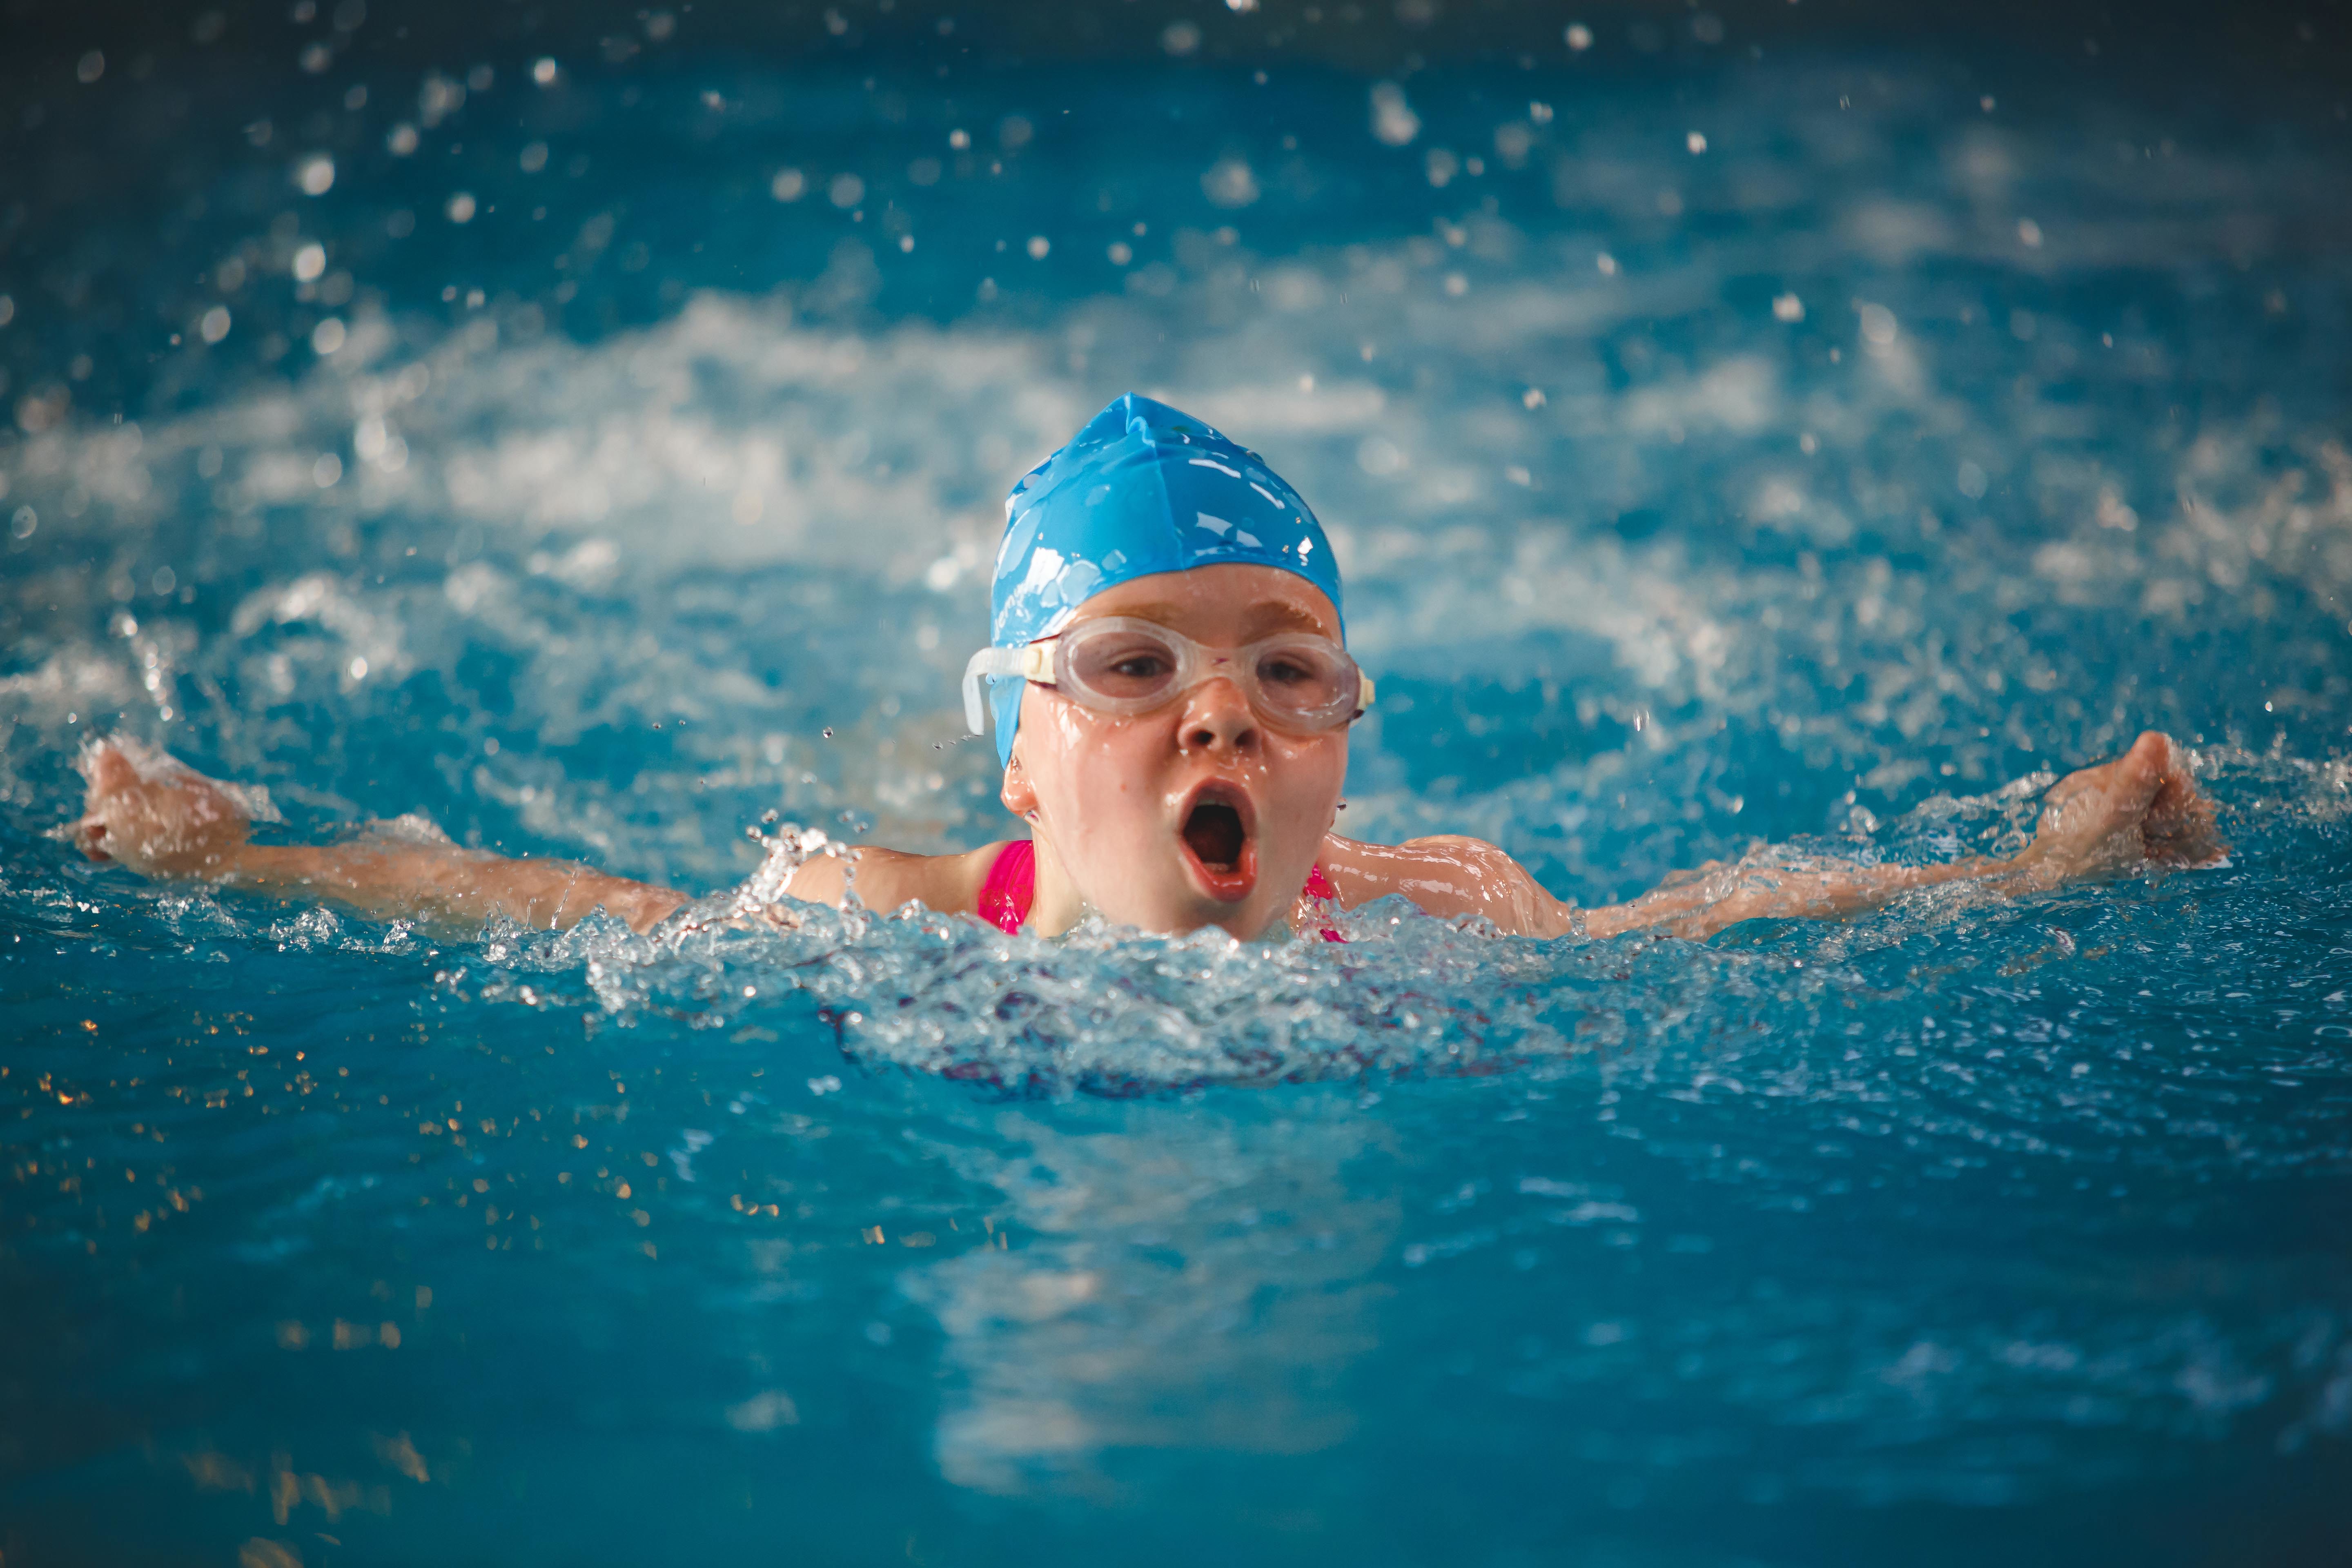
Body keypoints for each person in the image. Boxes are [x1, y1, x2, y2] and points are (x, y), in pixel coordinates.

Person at [69, 394, 2223, 944]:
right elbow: (566, 910)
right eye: (1134, 665)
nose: (1225, 717)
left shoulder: (1432, 905)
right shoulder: (900, 912)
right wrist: (249, 857)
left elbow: (1711, 922)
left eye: (1292, 675)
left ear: (1342, 753)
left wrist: (2030, 875)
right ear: (1026, 750)